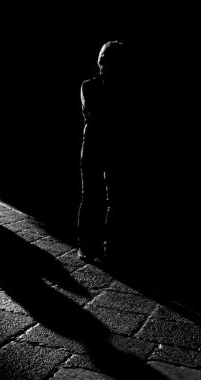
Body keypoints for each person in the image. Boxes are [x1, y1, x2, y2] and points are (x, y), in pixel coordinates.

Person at [77, 41, 130, 262]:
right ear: (102, 62)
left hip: (110, 146)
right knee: (91, 196)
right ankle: (87, 245)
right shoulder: (89, 86)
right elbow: (100, 114)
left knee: (115, 198)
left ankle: (110, 247)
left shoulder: (115, 88)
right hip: (95, 146)